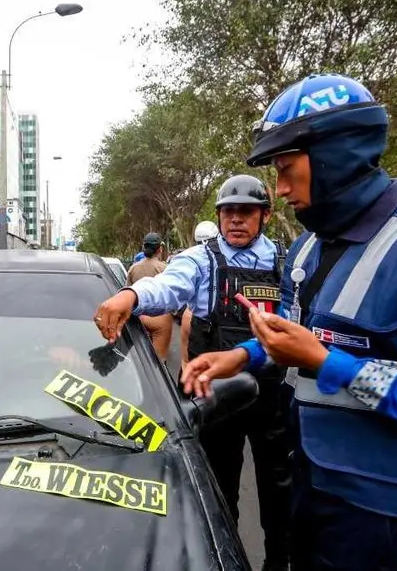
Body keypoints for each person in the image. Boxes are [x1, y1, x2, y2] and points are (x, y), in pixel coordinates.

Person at [182, 73, 397, 571]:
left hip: (385, 529)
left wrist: (332, 364)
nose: (281, 189)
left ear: (337, 158)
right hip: (308, 496)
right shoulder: (310, 248)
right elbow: (300, 336)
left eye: (288, 169)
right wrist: (242, 355)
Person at [94, 176, 291, 571]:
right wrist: (131, 296)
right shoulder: (201, 259)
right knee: (218, 492)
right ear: (218, 216)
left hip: (272, 398)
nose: (236, 220)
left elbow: (296, 318)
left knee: (281, 493)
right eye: (228, 212)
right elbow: (167, 287)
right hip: (214, 397)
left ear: (265, 216)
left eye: (246, 212)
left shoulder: (285, 263)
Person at [180, 221, 222, 369]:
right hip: (209, 321)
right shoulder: (224, 257)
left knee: (188, 363)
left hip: (194, 315)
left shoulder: (192, 257)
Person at [125, 232, 173, 361]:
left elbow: (127, 290)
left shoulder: (133, 268)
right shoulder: (164, 268)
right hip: (159, 318)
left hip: (138, 316)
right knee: (159, 361)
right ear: (159, 249)